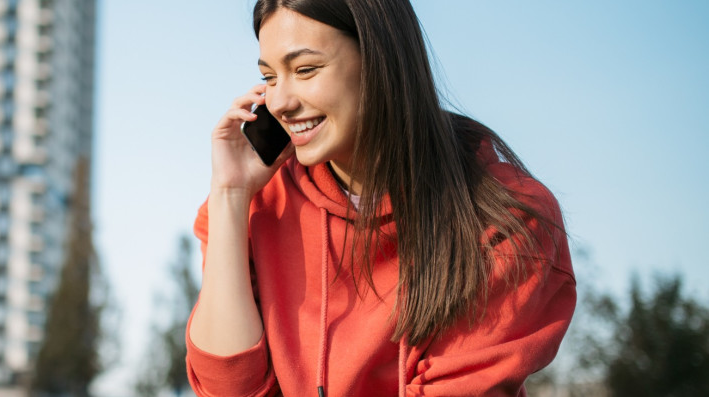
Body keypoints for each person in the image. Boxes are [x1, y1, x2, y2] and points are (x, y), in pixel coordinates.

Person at [184, 1, 577, 396]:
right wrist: (230, 196)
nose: (281, 102)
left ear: (380, 62)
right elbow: (228, 390)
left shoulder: (507, 217)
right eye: (269, 77)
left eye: (305, 70)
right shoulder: (257, 207)